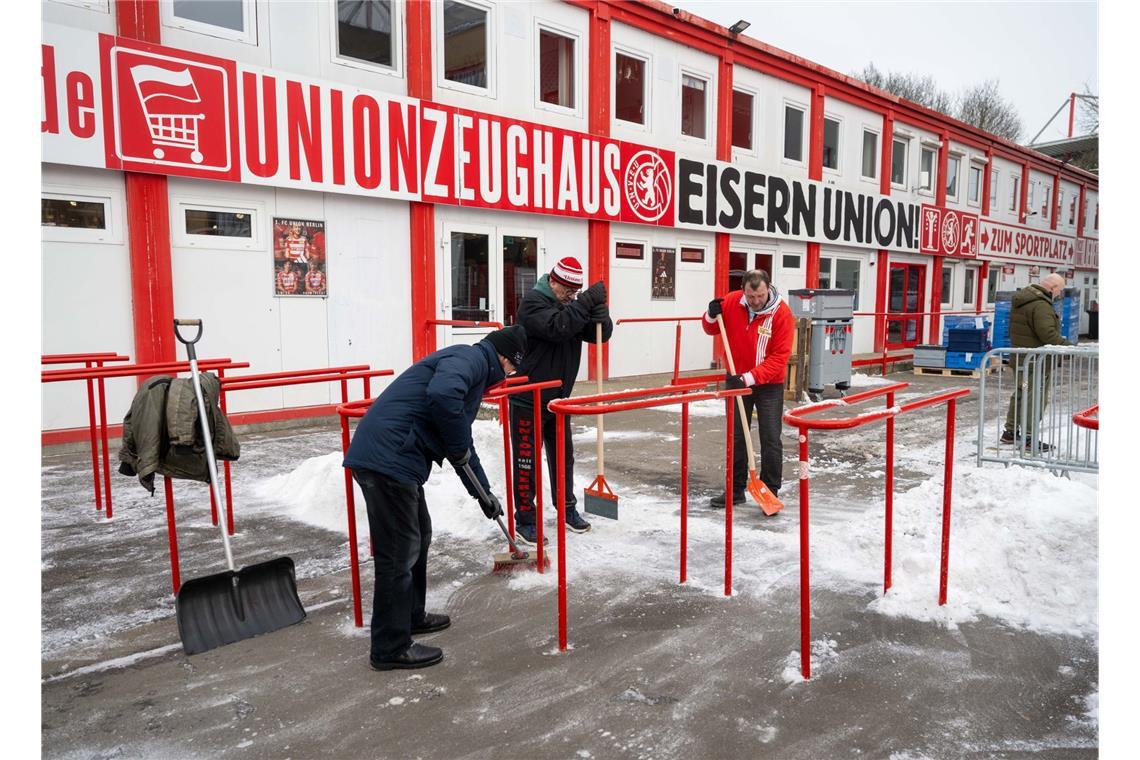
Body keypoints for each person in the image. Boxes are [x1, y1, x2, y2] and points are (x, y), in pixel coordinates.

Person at [343, 325, 527, 671]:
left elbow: (461, 444)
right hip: (388, 459)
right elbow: (444, 398)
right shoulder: (470, 359)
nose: (508, 377)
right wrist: (457, 447)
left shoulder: (471, 367)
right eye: (512, 370)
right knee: (398, 552)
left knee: (420, 535)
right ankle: (389, 646)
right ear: (504, 359)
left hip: (397, 459)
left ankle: (410, 616)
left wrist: (483, 494)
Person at [509, 256, 613, 545]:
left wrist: (601, 314)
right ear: (553, 282)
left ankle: (566, 508)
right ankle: (526, 519)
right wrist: (585, 302)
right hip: (528, 399)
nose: (571, 296)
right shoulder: (532, 303)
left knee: (564, 458)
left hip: (558, 401)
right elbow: (558, 327)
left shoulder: (570, 307)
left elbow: (598, 335)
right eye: (567, 290)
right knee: (526, 462)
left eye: (575, 292)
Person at [701, 269, 794, 509]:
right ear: (743, 291)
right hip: (736, 378)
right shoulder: (732, 301)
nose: (756, 301)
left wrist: (749, 378)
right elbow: (710, 328)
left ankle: (770, 490)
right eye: (751, 297)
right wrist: (710, 315)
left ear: (768, 288)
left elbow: (779, 358)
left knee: (770, 437)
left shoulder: (781, 314)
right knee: (737, 436)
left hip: (768, 384)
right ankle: (735, 489)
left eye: (760, 296)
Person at [1002, 273, 1070, 449]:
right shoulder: (1041, 306)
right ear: (1053, 288)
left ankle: (1010, 432)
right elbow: (1048, 334)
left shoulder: (1024, 300)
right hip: (1035, 362)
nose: (1060, 295)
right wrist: (1068, 348)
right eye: (1060, 290)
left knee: (1021, 393)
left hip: (1022, 358)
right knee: (1035, 398)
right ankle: (1029, 438)